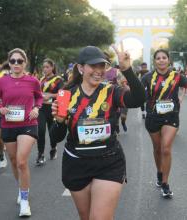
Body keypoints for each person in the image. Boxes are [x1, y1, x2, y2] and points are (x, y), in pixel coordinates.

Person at [51, 45, 145, 220]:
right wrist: (58, 121)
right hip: (76, 164)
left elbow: (139, 99)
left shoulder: (111, 91)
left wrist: (127, 70)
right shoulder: (66, 95)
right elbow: (56, 138)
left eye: (102, 66)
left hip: (109, 162)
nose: (98, 71)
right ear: (81, 68)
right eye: (93, 66)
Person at [0, 48, 43, 217]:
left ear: (25, 63)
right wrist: (1, 109)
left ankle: (25, 201)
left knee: (21, 161)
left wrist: (36, 108)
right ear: (9, 63)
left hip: (28, 123)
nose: (16, 64)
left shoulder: (33, 81)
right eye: (13, 61)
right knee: (13, 161)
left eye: (19, 61)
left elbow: (39, 97)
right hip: (8, 125)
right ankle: (21, 189)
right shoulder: (2, 82)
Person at [141, 49, 187, 198]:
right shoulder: (147, 77)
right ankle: (160, 172)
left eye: (164, 57)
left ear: (168, 60)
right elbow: (138, 94)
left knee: (166, 148)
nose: (161, 60)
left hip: (171, 116)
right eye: (158, 58)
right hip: (153, 117)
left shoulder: (177, 76)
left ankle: (165, 184)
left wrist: (181, 96)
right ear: (155, 61)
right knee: (157, 149)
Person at [36, 58, 63, 165]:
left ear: (52, 67)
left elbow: (62, 93)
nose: (45, 69)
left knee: (52, 132)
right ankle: (40, 154)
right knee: (40, 131)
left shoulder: (58, 80)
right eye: (44, 67)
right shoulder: (41, 79)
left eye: (47, 67)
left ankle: (53, 147)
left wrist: (50, 95)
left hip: (53, 109)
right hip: (41, 108)